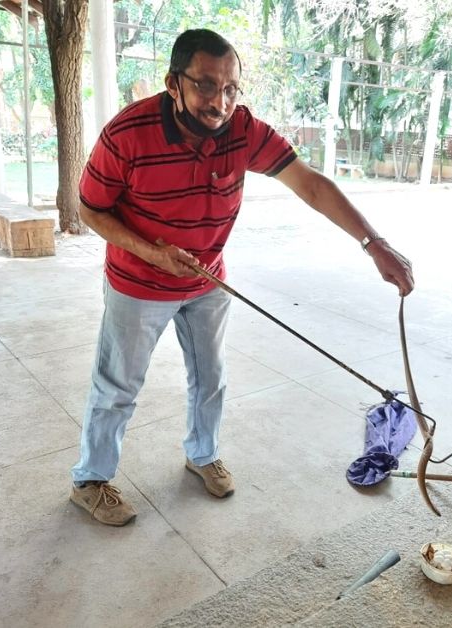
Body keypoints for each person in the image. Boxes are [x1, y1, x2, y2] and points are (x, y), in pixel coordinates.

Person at [69, 29, 414, 526]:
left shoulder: (243, 129)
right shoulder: (127, 134)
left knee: (210, 378)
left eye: (231, 88)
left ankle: (203, 454)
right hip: (138, 284)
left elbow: (310, 184)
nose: (221, 102)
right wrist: (152, 252)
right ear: (174, 83)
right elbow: (90, 210)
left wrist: (373, 242)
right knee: (117, 386)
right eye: (207, 86)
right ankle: (90, 479)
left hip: (208, 281)